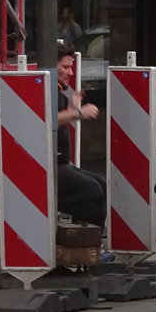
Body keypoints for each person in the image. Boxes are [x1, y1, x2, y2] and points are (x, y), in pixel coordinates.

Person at [55, 43, 107, 228]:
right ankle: (86, 242)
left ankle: (87, 241)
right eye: (66, 67)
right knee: (92, 191)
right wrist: (78, 113)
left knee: (101, 185)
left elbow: (59, 119)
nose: (70, 73)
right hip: (47, 166)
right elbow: (46, 119)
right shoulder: (46, 89)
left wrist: (72, 107)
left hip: (61, 163)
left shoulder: (58, 91)